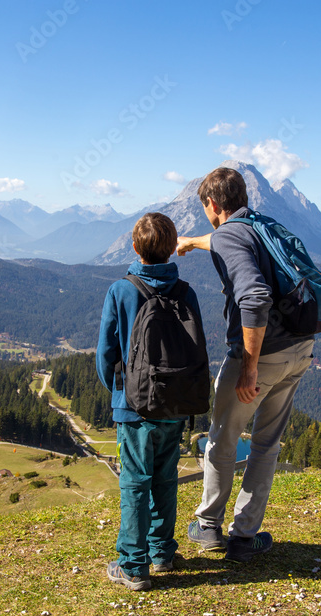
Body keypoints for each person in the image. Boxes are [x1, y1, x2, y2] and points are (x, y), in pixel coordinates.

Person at [176, 166, 314, 563]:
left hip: (261, 357)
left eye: (204, 206)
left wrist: (249, 369)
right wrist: (194, 243)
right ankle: (244, 536)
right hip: (299, 350)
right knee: (267, 444)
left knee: (222, 437)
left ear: (213, 203)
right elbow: (226, 240)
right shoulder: (259, 224)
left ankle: (207, 526)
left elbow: (254, 298)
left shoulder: (228, 234)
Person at [96, 212, 203, 590]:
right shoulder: (186, 292)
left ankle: (132, 565)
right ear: (174, 247)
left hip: (134, 404)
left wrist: (118, 393)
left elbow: (105, 355)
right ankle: (162, 553)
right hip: (174, 403)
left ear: (135, 247)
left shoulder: (121, 290)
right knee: (166, 477)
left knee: (135, 481)